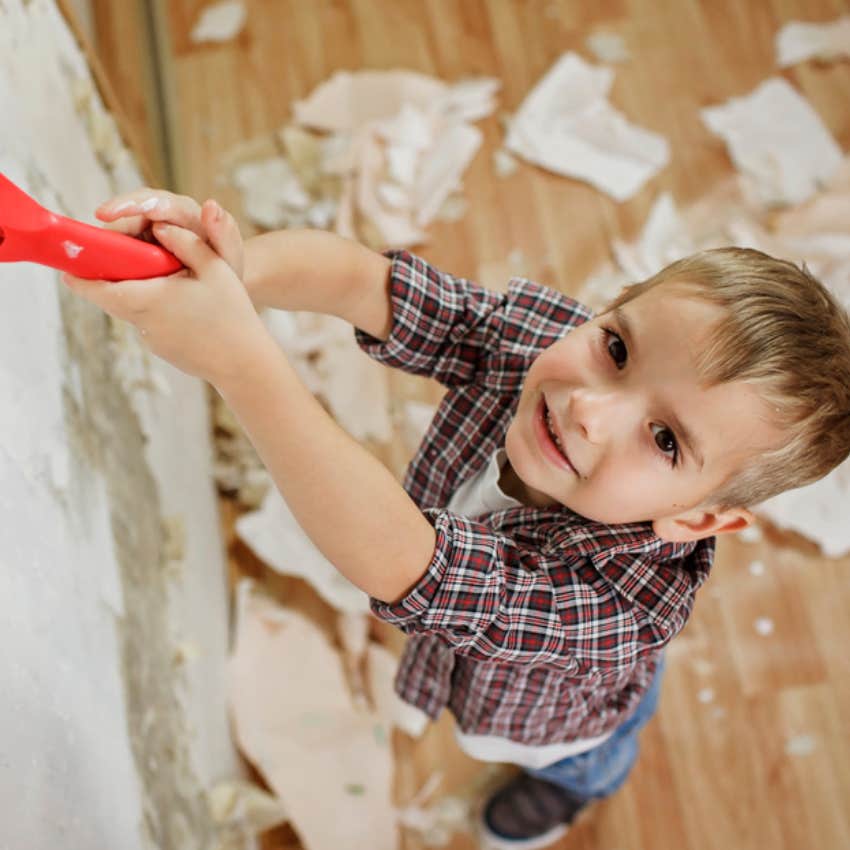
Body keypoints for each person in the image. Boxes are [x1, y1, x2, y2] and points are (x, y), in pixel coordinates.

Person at [62, 190, 850, 849]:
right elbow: (370, 285)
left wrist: (240, 359)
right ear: (610, 309)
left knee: (586, 757)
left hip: (554, 723)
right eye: (617, 347)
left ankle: (581, 788)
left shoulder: (621, 607)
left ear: (703, 519)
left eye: (667, 438)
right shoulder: (539, 346)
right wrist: (237, 271)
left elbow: (408, 566)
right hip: (486, 653)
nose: (588, 410)